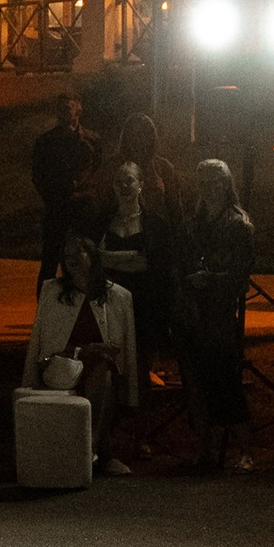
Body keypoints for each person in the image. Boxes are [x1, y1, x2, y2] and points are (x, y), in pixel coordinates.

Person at [23, 234, 137, 475]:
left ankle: (93, 450)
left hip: (99, 367)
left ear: (92, 256)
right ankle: (94, 453)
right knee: (98, 363)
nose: (72, 259)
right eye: (67, 255)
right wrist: (86, 350)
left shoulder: (118, 297)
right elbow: (48, 348)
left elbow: (121, 349)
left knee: (102, 371)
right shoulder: (53, 292)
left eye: (79, 253)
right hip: (62, 365)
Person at [177, 159, 256, 471]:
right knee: (196, 383)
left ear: (226, 184)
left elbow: (240, 277)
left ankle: (245, 450)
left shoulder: (239, 224)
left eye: (215, 181)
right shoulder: (193, 223)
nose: (209, 187)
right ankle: (204, 447)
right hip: (192, 312)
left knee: (225, 380)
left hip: (220, 315)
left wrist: (211, 278)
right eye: (204, 182)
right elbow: (182, 263)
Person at [95, 160, 171, 383]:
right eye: (118, 181)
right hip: (111, 296)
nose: (124, 186)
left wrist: (109, 257)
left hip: (144, 297)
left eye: (129, 180)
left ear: (140, 185)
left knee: (140, 353)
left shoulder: (154, 223)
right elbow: (96, 259)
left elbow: (148, 263)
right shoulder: (103, 222)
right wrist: (132, 256)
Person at [29, 92, 98, 282]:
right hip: (57, 208)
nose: (62, 113)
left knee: (86, 260)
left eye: (67, 108)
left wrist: (85, 193)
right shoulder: (46, 142)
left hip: (83, 210)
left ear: (79, 110)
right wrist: (53, 197)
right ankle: (45, 308)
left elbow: (99, 172)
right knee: (50, 263)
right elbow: (38, 176)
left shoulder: (92, 140)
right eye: (59, 109)